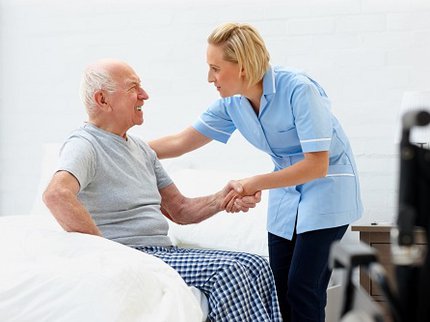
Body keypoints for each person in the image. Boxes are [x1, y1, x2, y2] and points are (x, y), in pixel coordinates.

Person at [149, 22, 363, 322]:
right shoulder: (232, 104)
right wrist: (120, 144)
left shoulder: (298, 89)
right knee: (277, 288)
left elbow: (317, 164)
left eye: (215, 68)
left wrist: (254, 182)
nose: (209, 78)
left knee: (303, 286)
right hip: (286, 193)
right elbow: (181, 141)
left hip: (327, 189)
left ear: (243, 66)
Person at [43, 59, 282, 322]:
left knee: (258, 265)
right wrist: (107, 253)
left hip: (162, 251)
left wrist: (222, 197)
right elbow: (56, 194)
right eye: (133, 87)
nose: (144, 95)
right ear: (103, 99)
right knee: (229, 271)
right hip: (134, 254)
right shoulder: (85, 144)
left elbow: (179, 210)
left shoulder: (141, 149)